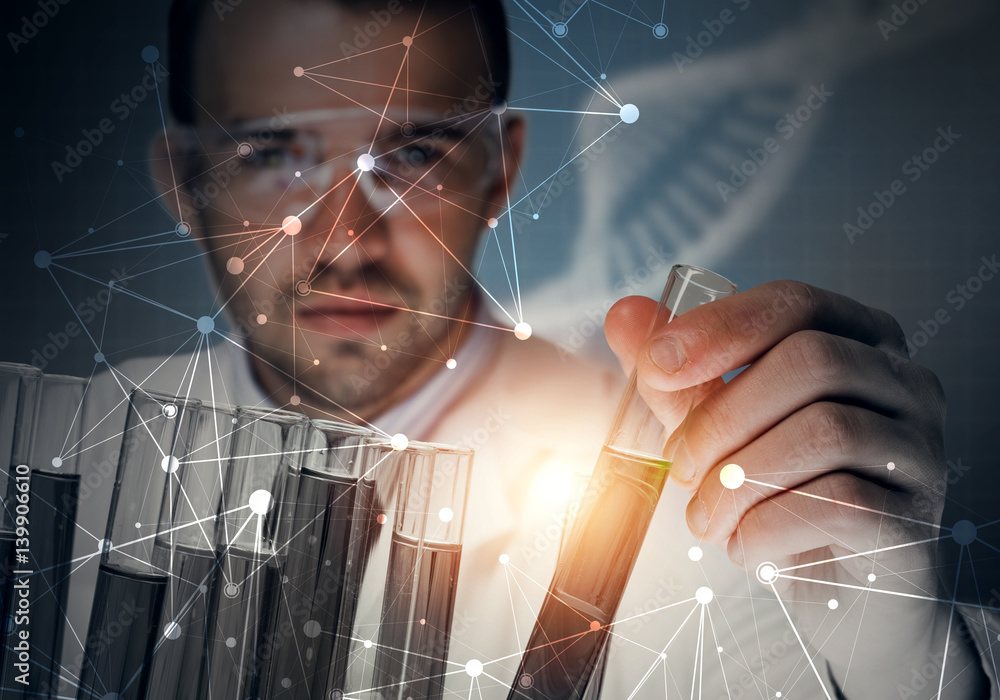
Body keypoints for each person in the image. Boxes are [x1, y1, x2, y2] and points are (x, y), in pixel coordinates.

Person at [68, 0, 995, 697]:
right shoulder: (57, 459)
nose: (347, 239)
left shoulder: (692, 499)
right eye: (274, 156)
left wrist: (903, 661)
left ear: (501, 168)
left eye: (415, 155)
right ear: (183, 183)